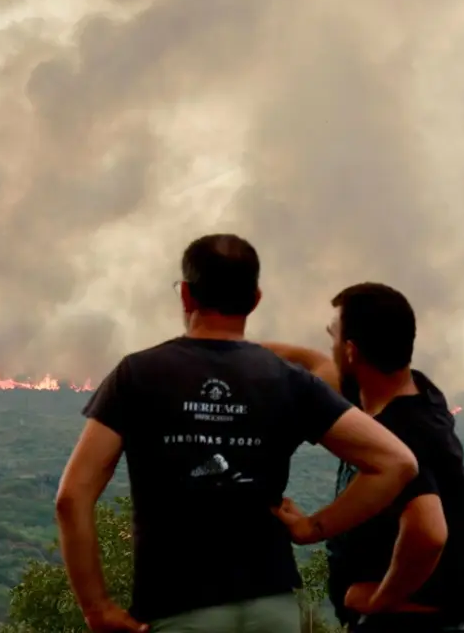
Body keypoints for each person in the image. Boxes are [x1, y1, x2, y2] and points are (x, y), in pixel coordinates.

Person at [57, 234, 419, 633]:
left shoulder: (139, 375)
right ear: (255, 298)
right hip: (273, 608)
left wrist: (97, 608)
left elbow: (72, 498)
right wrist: (314, 528)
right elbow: (395, 462)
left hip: (178, 607)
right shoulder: (286, 380)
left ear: (186, 296)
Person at [263, 282, 464, 631]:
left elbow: (429, 532)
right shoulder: (408, 390)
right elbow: (315, 363)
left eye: (333, 335)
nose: (327, 345)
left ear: (351, 351)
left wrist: (381, 599)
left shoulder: (406, 432)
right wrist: (232, 351)